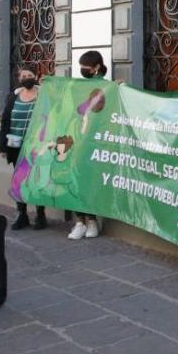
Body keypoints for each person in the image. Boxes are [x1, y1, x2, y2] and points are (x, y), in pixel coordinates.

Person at [0, 66, 46, 230]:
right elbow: (5, 121)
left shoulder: (43, 95)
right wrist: (2, 146)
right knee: (19, 181)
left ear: (36, 76)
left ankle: (41, 215)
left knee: (38, 180)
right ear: (19, 78)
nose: (26, 78)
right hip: (16, 146)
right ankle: (22, 214)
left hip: (37, 147)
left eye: (30, 75)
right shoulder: (13, 96)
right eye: (23, 75)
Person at [68, 50, 108, 240]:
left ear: (97, 67)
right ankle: (79, 222)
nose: (83, 70)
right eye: (81, 66)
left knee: (89, 181)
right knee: (75, 179)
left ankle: (91, 220)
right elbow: (74, 106)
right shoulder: (80, 86)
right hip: (78, 140)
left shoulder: (107, 88)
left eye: (86, 67)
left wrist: (119, 88)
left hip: (96, 142)